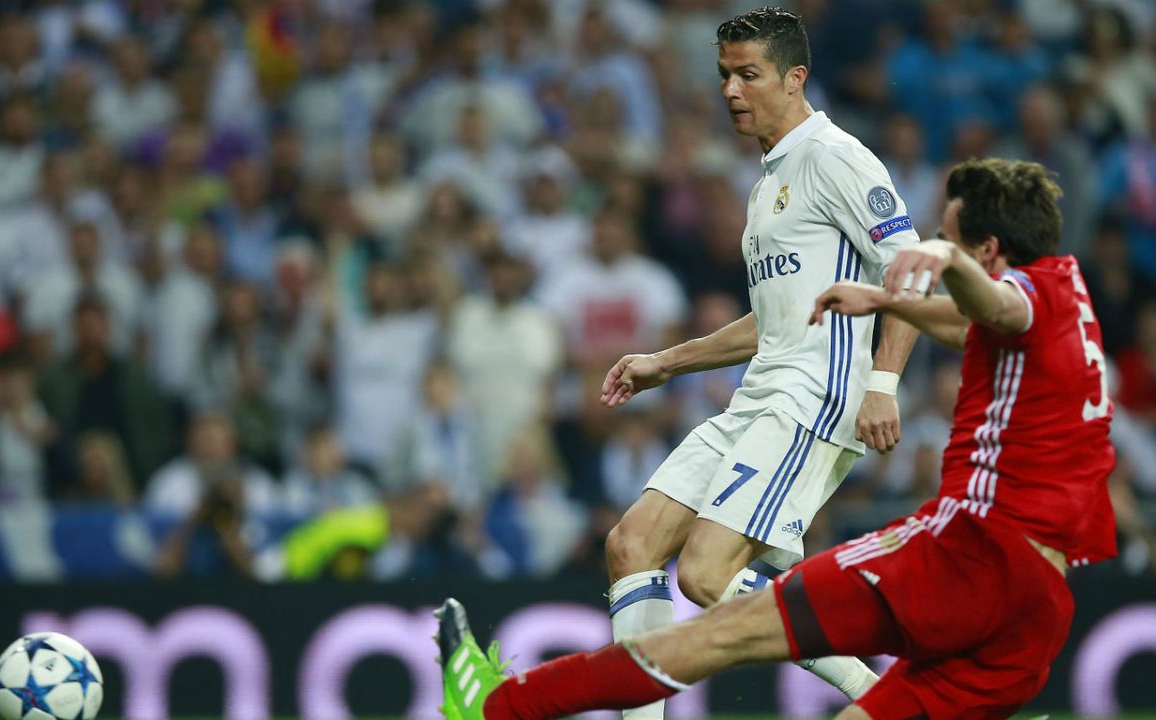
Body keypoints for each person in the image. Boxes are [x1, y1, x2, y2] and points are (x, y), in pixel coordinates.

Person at [437, 157, 1116, 720]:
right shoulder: (1070, 293)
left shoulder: (1013, 289)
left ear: (988, 251)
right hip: (1036, 605)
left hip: (969, 556)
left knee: (713, 623)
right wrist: (889, 301)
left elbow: (995, 303)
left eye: (952, 235)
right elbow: (967, 322)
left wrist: (937, 262)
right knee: (641, 549)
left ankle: (497, 707)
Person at [592, 8, 920, 710]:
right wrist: (666, 362)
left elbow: (909, 272)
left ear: (795, 78)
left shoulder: (834, 156)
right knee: (632, 544)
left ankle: (899, 696)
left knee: (707, 576)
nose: (732, 91)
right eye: (723, 76)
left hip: (813, 399)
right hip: (760, 396)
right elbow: (772, 323)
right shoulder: (765, 183)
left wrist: (884, 382)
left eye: (749, 75)